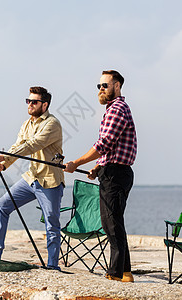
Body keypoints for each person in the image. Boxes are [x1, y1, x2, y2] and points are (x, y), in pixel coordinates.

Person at [0, 86, 65, 270]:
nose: (30, 104)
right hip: (31, 178)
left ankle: (52, 266)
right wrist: (4, 164)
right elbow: (17, 145)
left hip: (50, 181)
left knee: (52, 224)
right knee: (2, 206)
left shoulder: (52, 124)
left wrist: (3, 158)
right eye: (28, 101)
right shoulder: (26, 124)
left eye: (34, 101)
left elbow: (33, 145)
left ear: (45, 104)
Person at [64, 70, 137, 282]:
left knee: (111, 223)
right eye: (99, 86)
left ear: (117, 86)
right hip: (113, 171)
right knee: (114, 223)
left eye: (105, 85)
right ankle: (125, 271)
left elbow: (104, 144)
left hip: (116, 174)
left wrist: (76, 162)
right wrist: (97, 166)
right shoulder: (113, 109)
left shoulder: (117, 108)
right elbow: (110, 149)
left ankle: (114, 274)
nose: (101, 89)